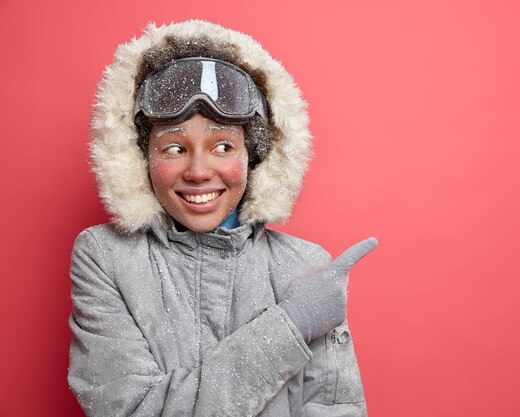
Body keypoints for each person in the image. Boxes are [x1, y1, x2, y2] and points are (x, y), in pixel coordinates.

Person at [68, 20, 377, 417]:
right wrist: (291, 325)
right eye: (175, 147)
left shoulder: (307, 269)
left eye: (224, 146)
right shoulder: (104, 258)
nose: (198, 171)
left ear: (256, 156)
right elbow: (131, 409)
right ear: (140, 158)